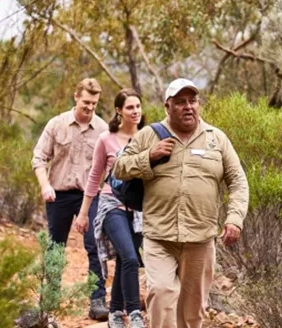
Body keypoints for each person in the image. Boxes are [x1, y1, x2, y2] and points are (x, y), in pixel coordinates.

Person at [113, 78, 249, 328]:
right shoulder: (149, 135)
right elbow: (118, 168)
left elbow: (238, 180)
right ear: (168, 106)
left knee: (192, 311)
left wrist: (234, 219)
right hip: (159, 235)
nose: (188, 107)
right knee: (161, 294)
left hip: (200, 238)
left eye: (192, 101)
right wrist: (148, 157)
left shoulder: (216, 139)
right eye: (180, 102)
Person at [31, 77, 109, 321]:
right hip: (59, 195)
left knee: (95, 246)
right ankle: (49, 301)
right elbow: (38, 158)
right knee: (55, 247)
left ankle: (97, 301)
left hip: (91, 195)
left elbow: (111, 164)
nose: (89, 107)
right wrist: (45, 186)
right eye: (86, 102)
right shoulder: (57, 124)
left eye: (94, 103)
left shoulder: (103, 129)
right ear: (76, 97)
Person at [74, 89, 146, 328]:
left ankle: (115, 312)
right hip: (111, 204)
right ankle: (134, 313)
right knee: (130, 258)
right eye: (130, 108)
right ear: (118, 111)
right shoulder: (106, 139)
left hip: (138, 210)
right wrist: (84, 212)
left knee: (127, 260)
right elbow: (95, 176)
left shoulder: (147, 136)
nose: (135, 112)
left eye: (138, 107)